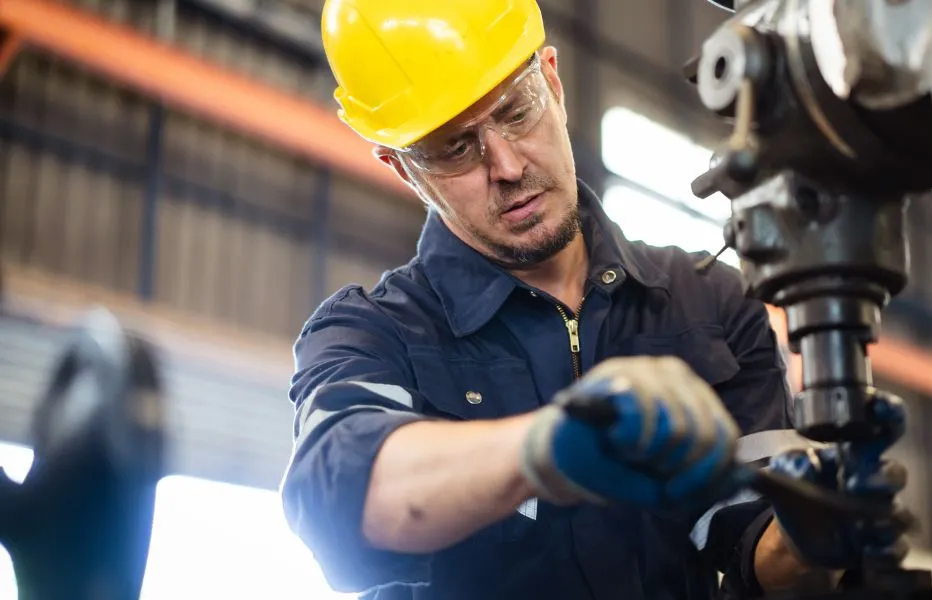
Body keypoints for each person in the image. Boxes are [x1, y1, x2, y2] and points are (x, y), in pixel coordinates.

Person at [279, 0, 841, 598]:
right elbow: (341, 493)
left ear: (552, 78)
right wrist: (543, 449)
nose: (507, 164)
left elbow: (756, 544)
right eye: (454, 148)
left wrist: (818, 533)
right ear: (403, 169)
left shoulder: (711, 303)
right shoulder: (371, 332)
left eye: (517, 111)